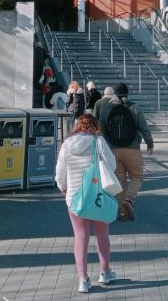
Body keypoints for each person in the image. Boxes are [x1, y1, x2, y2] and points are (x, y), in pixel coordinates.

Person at [55, 114, 117, 293]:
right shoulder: (98, 141)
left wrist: (63, 188)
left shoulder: (67, 144)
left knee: (80, 237)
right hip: (98, 196)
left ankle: (83, 279)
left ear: (77, 126)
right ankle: (105, 272)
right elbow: (112, 165)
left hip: (75, 197)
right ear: (94, 126)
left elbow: (60, 171)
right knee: (102, 234)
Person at [98, 82, 153, 222]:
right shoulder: (134, 107)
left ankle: (122, 213)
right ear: (127, 94)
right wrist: (149, 142)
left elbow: (100, 130)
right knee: (137, 177)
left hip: (113, 150)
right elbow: (143, 127)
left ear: (114, 94)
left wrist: (101, 149)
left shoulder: (106, 108)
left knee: (119, 181)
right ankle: (128, 200)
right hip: (132, 148)